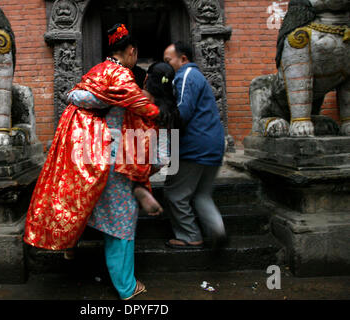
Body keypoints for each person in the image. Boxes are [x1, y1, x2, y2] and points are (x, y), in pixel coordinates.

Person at [24, 23, 163, 300]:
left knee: (85, 202)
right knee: (121, 221)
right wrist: (158, 111)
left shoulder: (95, 72)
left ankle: (70, 245)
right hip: (115, 159)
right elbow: (144, 108)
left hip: (86, 154)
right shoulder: (121, 75)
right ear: (132, 51)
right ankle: (126, 286)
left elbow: (77, 96)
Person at [163, 41, 227, 249]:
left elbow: (183, 111)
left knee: (175, 193)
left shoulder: (186, 75)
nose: (167, 66)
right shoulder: (198, 77)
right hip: (213, 145)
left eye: (168, 60)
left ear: (183, 59)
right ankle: (217, 230)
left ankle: (190, 235)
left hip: (194, 146)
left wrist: (158, 117)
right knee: (201, 194)